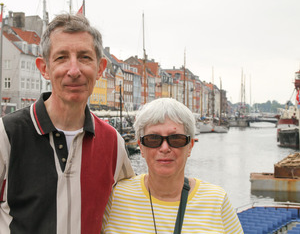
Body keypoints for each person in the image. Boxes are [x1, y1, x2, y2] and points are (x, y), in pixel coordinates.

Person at [0, 14, 135, 234]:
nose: (74, 70)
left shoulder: (112, 142)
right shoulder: (7, 134)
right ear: (44, 68)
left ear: (100, 68)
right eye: (62, 58)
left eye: (84, 58)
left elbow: (128, 209)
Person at [101, 98, 243, 233]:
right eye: (153, 139)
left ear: (190, 146)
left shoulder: (216, 201)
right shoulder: (116, 197)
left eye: (176, 139)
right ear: (141, 147)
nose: (164, 148)